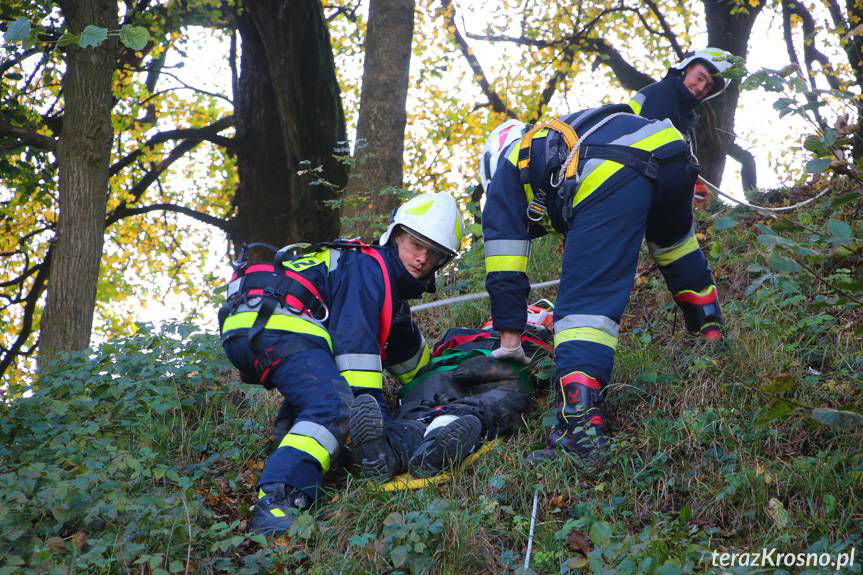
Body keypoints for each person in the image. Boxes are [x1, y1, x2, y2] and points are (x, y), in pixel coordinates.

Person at [479, 104, 725, 462]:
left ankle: (581, 427)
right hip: (672, 152)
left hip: (613, 166)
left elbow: (505, 272)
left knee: (582, 308)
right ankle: (711, 335)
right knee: (676, 248)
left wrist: (510, 343)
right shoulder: (550, 143)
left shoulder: (506, 174)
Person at [218, 192, 464, 535]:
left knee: (318, 392)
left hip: (249, 323)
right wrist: (380, 431)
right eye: (415, 244)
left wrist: (448, 384)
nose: (422, 259)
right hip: (281, 323)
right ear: (395, 236)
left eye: (434, 253)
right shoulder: (369, 269)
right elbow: (356, 360)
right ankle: (278, 503)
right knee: (334, 407)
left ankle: (288, 448)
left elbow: (414, 365)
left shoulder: (382, 286)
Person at [350, 305, 554, 479]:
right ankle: (430, 447)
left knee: (422, 408)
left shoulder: (460, 333)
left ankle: (388, 449)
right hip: (493, 372)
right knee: (491, 404)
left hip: (448, 369)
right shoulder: (539, 341)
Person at [627, 48, 735, 140]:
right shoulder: (663, 94)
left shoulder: (686, 117)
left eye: (708, 86)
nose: (701, 88)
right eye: (700, 78)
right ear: (687, 68)